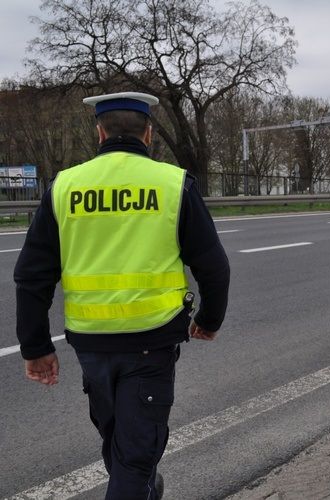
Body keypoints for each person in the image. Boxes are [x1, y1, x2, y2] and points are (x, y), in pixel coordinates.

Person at [14, 92, 230, 499]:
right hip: (152, 342)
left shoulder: (65, 186)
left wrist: (35, 346)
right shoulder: (173, 183)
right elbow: (213, 267)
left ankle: (142, 486)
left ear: (99, 132)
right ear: (149, 134)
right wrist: (209, 320)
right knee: (134, 456)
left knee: (121, 444)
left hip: (91, 343)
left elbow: (32, 276)